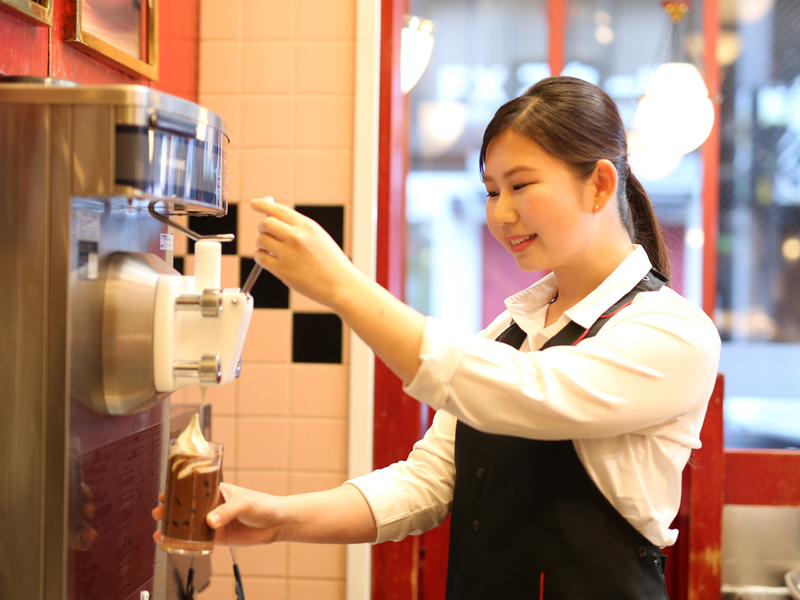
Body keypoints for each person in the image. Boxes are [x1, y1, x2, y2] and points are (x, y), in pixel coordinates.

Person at [153, 76, 721, 599]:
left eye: (520, 185)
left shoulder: (672, 333)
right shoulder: (509, 332)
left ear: (599, 184)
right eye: (492, 191)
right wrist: (280, 518)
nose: (502, 214)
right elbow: (427, 482)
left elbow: (532, 394)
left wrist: (345, 288)